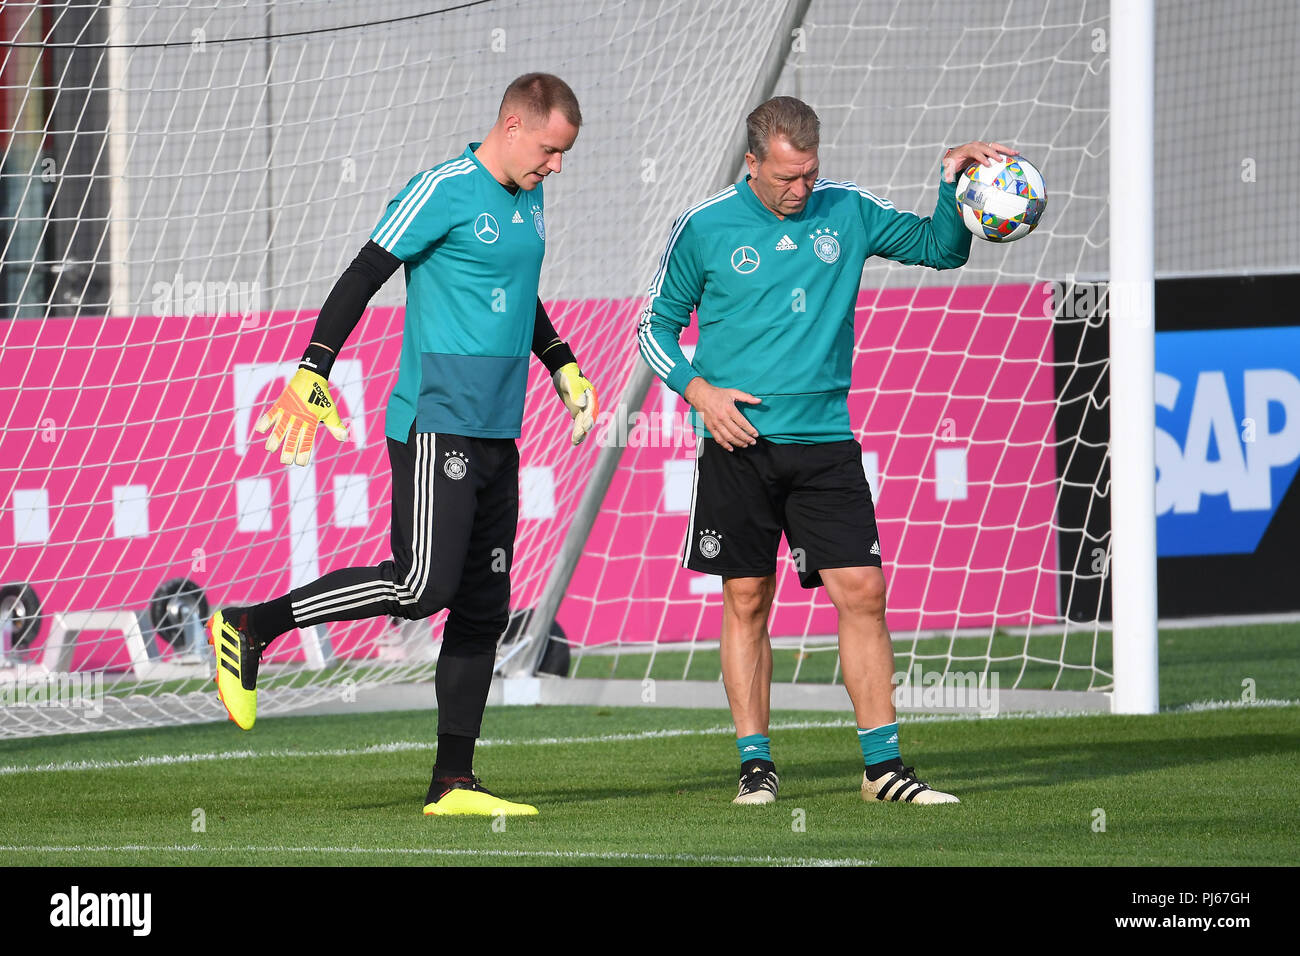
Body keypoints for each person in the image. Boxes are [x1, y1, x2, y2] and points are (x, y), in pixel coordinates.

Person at [208, 73, 598, 818]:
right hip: (435, 421)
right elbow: (365, 271)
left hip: (499, 428)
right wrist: (312, 368)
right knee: (424, 587)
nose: (557, 168)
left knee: (483, 607)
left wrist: (563, 362)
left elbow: (516, 290)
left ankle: (454, 782)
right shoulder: (443, 187)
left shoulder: (529, 197)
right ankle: (251, 626)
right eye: (550, 150)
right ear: (513, 124)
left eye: (563, 156)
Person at [638, 95, 1013, 805]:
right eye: (786, 177)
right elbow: (653, 328)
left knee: (863, 592)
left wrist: (954, 189)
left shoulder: (846, 209)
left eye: (809, 174)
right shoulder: (704, 227)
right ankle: (756, 764)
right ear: (752, 163)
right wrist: (701, 394)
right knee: (747, 598)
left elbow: (940, 250)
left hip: (825, 444)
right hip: (737, 441)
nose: (801, 189)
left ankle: (883, 770)